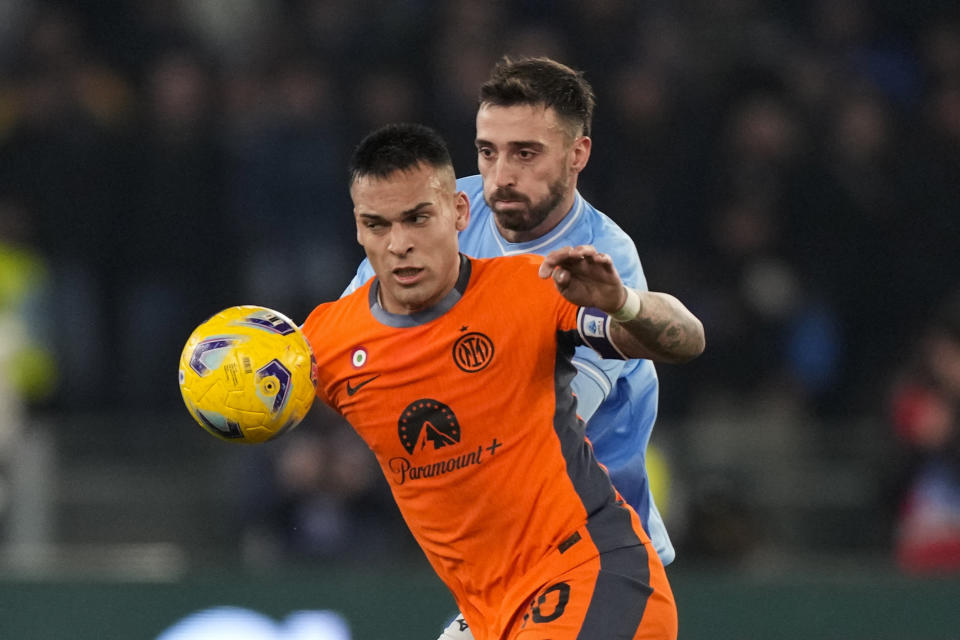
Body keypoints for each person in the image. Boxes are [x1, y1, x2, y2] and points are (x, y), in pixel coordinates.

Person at [303, 123, 682, 639]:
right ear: (358, 228)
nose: (399, 245)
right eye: (378, 224)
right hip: (492, 615)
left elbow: (686, 338)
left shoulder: (530, 289)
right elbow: (258, 395)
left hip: (590, 572)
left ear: (459, 212)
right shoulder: (329, 341)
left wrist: (625, 303)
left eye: (418, 219)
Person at [345, 57, 704, 583]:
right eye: (487, 152)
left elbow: (532, 430)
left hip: (590, 547)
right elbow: (354, 329)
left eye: (525, 154)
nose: (502, 175)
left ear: (577, 154)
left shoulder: (601, 259)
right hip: (501, 550)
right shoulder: (446, 209)